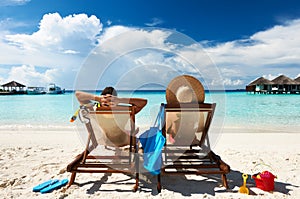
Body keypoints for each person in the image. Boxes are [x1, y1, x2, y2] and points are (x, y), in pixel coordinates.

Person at [75, 86, 147, 114]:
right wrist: (120, 100)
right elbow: (144, 102)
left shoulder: (94, 109)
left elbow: (78, 94)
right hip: (124, 140)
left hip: (104, 139)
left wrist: (98, 98)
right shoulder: (125, 110)